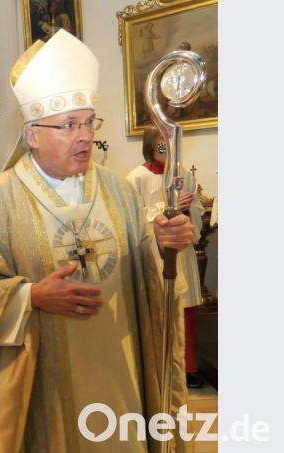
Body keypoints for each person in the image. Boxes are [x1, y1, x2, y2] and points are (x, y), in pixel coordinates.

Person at [0, 30, 194, 452]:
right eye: (69, 125)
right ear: (33, 134)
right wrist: (30, 296)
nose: (85, 135)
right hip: (42, 387)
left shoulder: (118, 190)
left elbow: (142, 274)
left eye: (89, 122)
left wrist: (162, 246)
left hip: (118, 368)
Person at [126, 125, 205, 389]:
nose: (165, 145)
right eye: (161, 140)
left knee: (187, 310)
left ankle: (190, 366)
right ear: (150, 143)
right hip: (157, 256)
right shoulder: (135, 177)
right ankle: (162, 366)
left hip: (183, 253)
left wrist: (188, 208)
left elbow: (195, 211)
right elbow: (133, 216)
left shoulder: (182, 175)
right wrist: (167, 208)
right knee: (162, 310)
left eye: (169, 141)